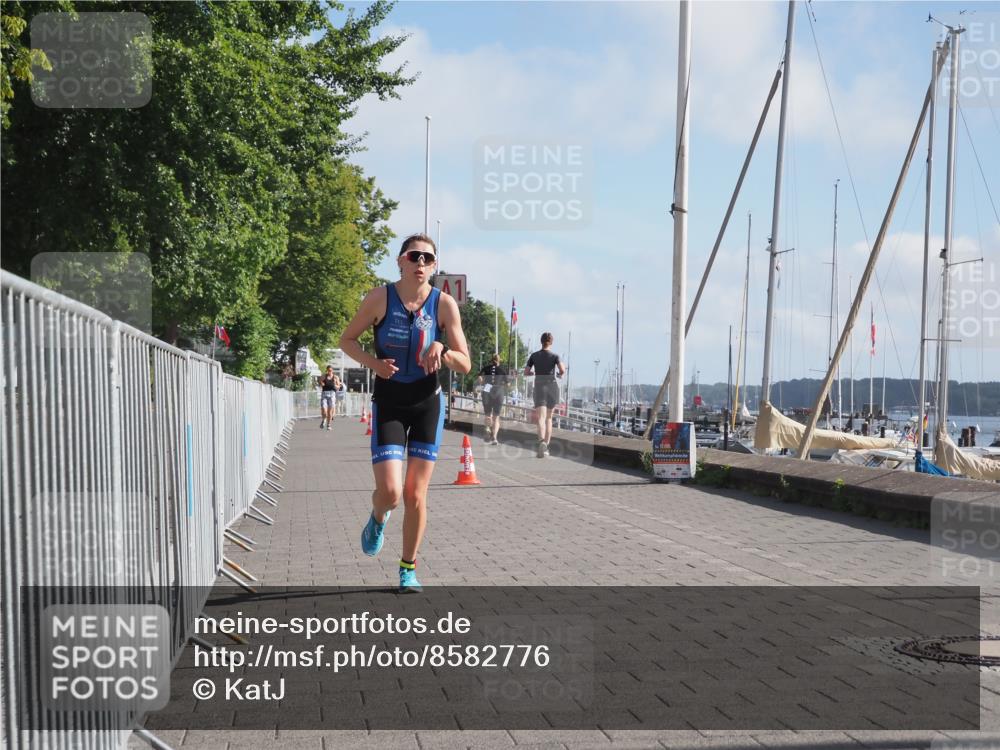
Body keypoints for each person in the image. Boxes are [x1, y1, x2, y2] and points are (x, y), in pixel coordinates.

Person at [339, 233, 471, 592]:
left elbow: (465, 364)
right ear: (400, 261)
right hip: (390, 402)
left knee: (415, 494)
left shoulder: (443, 305)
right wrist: (373, 364)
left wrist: (442, 349)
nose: (421, 264)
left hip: (427, 402)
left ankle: (408, 567)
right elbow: (346, 339)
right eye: (414, 257)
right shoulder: (380, 298)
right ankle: (378, 517)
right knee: (393, 492)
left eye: (428, 259)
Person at [524, 332, 566, 458]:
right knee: (549, 418)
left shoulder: (534, 356)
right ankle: (546, 447)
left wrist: (532, 373)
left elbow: (526, 371)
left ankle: (541, 442)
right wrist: (560, 374)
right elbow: (562, 370)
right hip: (552, 386)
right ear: (551, 342)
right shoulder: (555, 356)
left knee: (541, 418)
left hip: (539, 386)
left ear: (541, 342)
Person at [476, 353, 508, 445]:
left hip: (487, 389)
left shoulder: (486, 368)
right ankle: (494, 438)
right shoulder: (502, 370)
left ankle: (487, 428)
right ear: (499, 361)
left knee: (487, 414)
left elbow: (479, 376)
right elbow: (507, 383)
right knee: (496, 417)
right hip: (498, 390)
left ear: (492, 360)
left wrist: (482, 381)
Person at [318, 366, 338, 430]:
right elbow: (320, 382)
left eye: (330, 370)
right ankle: (324, 419)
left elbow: (338, 386)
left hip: (332, 394)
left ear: (332, 371)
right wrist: (321, 383)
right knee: (324, 410)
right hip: (324, 394)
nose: (329, 372)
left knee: (330, 411)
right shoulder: (324, 376)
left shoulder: (335, 377)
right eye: (328, 370)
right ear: (326, 370)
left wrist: (335, 384)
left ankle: (329, 425)